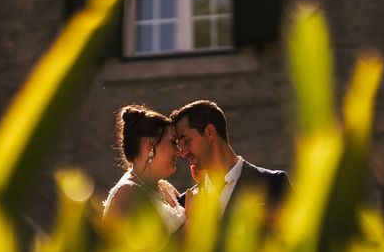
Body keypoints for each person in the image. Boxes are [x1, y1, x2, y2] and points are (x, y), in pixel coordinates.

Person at [170, 99, 291, 219]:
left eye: (186, 141)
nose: (183, 152)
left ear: (209, 132)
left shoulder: (273, 183)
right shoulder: (185, 203)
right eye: (180, 145)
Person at [103, 104, 186, 234]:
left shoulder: (165, 187)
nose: (179, 151)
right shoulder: (128, 193)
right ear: (150, 145)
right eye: (172, 142)